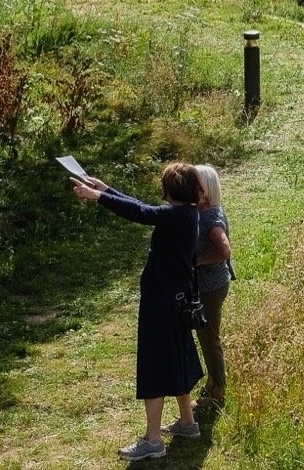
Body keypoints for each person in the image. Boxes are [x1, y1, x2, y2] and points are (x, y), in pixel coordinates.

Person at [69, 163, 204, 461]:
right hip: (176, 300)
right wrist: (105, 189)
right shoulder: (186, 213)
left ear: (170, 189)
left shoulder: (174, 216)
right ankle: (187, 422)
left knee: (155, 363)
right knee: (177, 357)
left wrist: (96, 197)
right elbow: (144, 208)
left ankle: (153, 440)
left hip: (162, 303)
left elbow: (142, 213)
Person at [191, 165, 234, 412]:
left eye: (194, 184)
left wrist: (196, 261)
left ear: (205, 189)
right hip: (210, 285)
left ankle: (217, 391)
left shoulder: (210, 217)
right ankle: (212, 382)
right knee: (206, 336)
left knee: (209, 339)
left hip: (211, 286)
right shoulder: (206, 210)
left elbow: (224, 250)